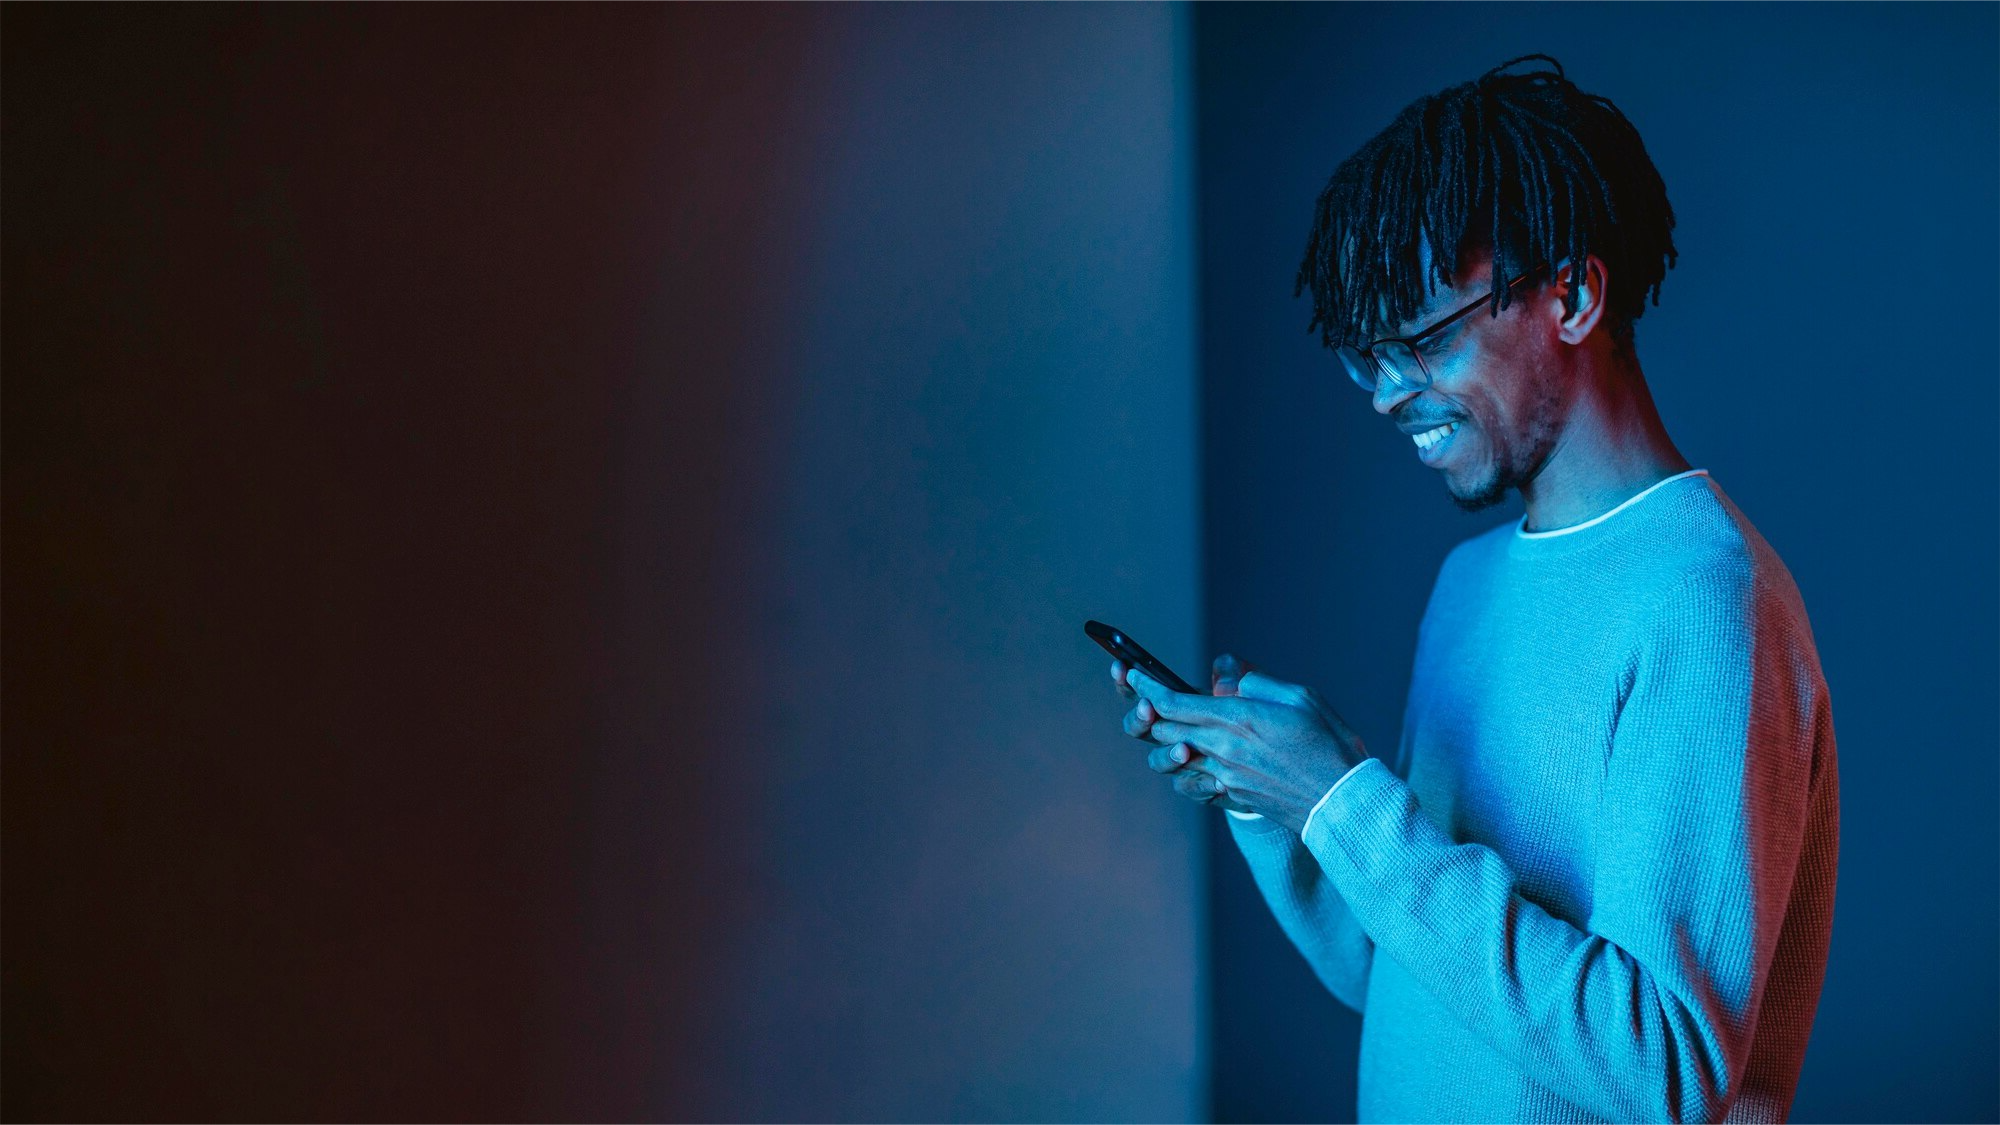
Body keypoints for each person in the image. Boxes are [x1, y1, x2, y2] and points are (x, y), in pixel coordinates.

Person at [1112, 56, 1837, 1124]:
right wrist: (1275, 802)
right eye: (1365, 356)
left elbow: (1667, 1069)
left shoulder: (1700, 597)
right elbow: (1405, 982)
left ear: (1572, 296)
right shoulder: (1469, 583)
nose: (1386, 395)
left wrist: (1343, 799)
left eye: (1424, 340)